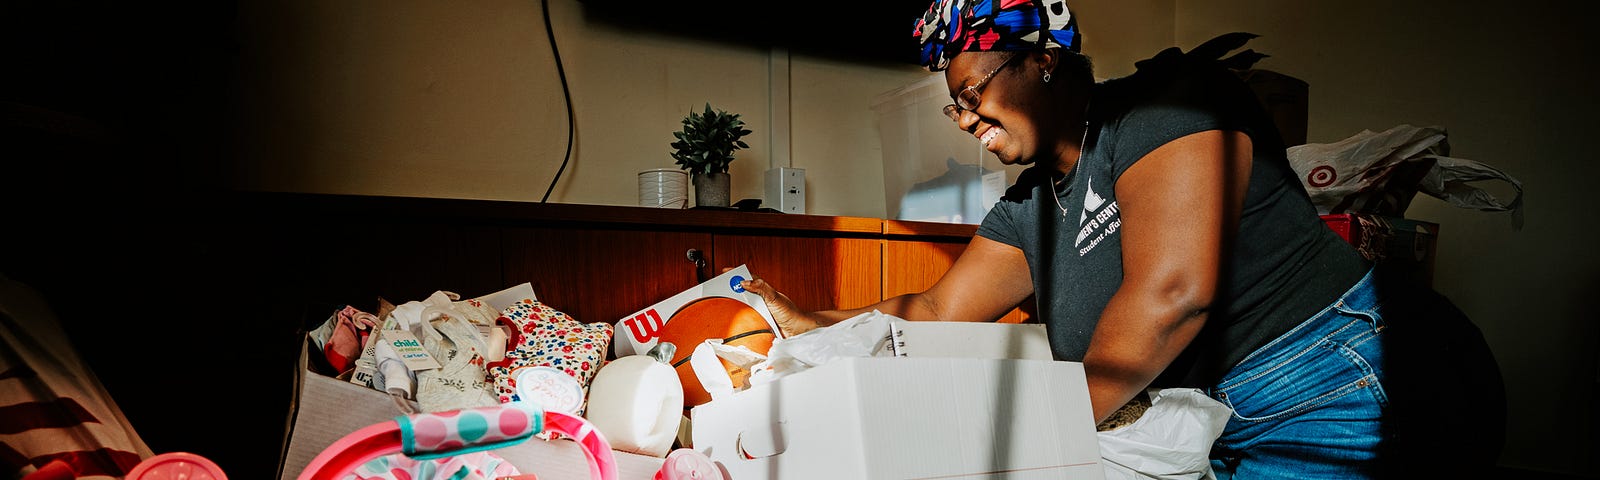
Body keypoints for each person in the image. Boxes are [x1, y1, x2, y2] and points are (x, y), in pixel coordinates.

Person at [738, 0, 1504, 478]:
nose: (966, 118)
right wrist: (813, 324)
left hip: (1325, 379)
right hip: (1219, 416)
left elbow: (1172, 296)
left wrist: (1014, 444)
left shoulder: (1166, 106)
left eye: (973, 93)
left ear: (1043, 59)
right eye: (954, 107)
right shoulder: (1033, 205)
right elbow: (936, 309)